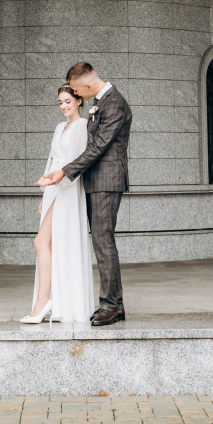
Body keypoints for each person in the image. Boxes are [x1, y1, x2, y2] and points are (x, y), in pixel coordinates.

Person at [38, 61, 130, 326]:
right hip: (95, 181)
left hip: (106, 181)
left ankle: (110, 306)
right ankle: (117, 304)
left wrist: (64, 172)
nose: (78, 97)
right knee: (103, 241)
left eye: (78, 91)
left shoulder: (114, 104)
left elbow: (98, 147)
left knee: (103, 241)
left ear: (88, 85)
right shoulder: (101, 102)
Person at [20, 84, 97, 324]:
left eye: (67, 101)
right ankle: (50, 301)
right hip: (54, 191)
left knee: (41, 241)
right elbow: (51, 161)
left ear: (79, 101)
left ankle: (44, 302)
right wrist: (45, 196)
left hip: (68, 191)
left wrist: (56, 186)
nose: (63, 106)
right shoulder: (59, 127)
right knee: (49, 244)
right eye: (60, 102)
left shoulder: (82, 126)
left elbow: (75, 163)